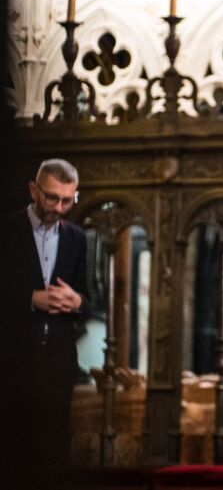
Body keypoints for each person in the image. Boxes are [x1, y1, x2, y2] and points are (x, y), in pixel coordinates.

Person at [0, 158, 89, 487]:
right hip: (12, 361)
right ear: (34, 190)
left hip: (58, 363)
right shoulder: (7, 231)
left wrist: (78, 302)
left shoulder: (77, 238)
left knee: (52, 455)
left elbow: (88, 299)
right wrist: (30, 299)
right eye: (52, 198)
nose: (61, 207)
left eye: (69, 199)